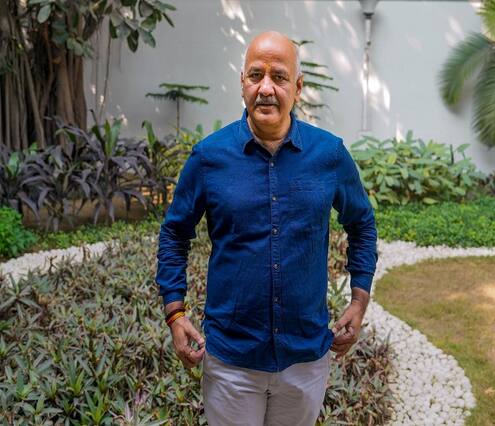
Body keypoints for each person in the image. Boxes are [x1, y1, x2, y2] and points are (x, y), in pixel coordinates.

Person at [155, 31, 378, 426]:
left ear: (298, 87)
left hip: (305, 358)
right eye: (256, 75)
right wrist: (175, 312)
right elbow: (175, 233)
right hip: (232, 361)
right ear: (242, 82)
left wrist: (358, 302)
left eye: (279, 76)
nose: (266, 88)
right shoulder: (209, 157)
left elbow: (361, 223)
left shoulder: (329, 155)